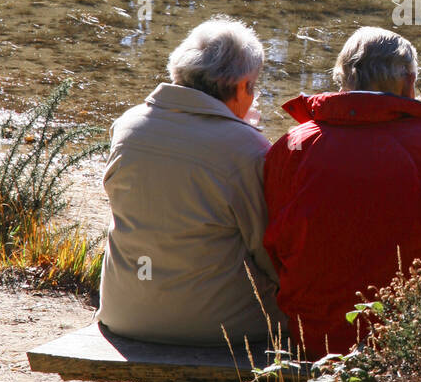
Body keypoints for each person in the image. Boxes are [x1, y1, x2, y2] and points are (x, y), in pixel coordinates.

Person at [263, 26, 421, 360]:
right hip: (409, 345)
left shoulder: (293, 146)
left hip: (313, 340)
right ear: (409, 81)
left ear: (343, 81)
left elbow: (276, 244)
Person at [97, 17, 285, 346]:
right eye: (253, 87)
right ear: (242, 86)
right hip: (218, 325)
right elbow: (268, 251)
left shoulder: (127, 127)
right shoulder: (246, 148)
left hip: (123, 311)